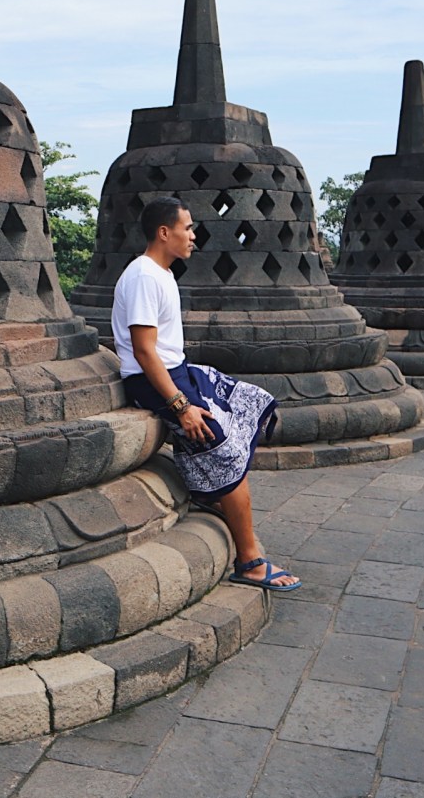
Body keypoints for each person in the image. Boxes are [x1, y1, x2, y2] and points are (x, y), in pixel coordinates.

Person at [112, 196, 301, 591]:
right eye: (188, 228)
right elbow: (144, 351)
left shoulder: (161, 273)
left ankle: (212, 495)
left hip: (176, 370)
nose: (194, 236)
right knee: (223, 448)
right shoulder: (145, 276)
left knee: (247, 402)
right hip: (153, 380)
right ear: (164, 233)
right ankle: (249, 561)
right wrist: (181, 406)